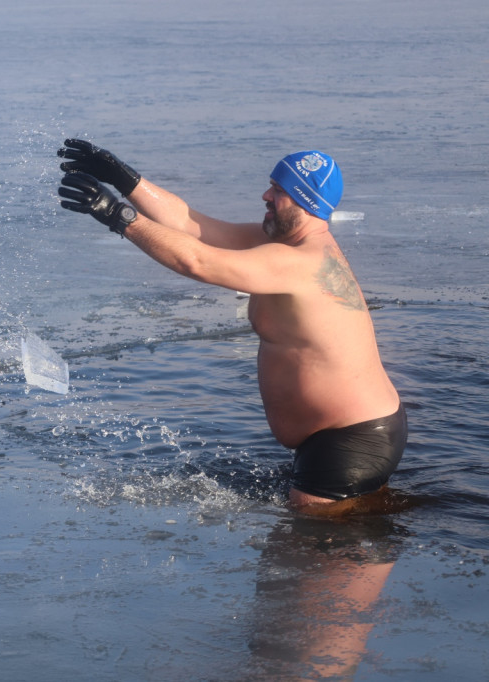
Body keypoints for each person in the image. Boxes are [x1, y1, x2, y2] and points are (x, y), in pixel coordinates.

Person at [57, 139, 406, 515]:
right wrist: (125, 179)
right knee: (324, 556)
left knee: (308, 558)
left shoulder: (301, 262)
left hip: (350, 441)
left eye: (279, 190)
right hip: (349, 435)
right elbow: (192, 226)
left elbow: (197, 262)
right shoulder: (279, 243)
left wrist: (117, 215)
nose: (265, 195)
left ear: (306, 201)